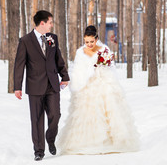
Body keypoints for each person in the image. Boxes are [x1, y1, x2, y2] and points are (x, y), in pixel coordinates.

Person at [57, 25, 139, 155]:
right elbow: (78, 70)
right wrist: (81, 81)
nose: (89, 44)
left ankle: (111, 141)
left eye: (92, 41)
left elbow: (111, 67)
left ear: (96, 39)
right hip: (87, 86)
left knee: (108, 110)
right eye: (86, 42)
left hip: (102, 83)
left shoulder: (104, 49)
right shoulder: (80, 52)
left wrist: (102, 64)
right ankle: (87, 141)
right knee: (87, 112)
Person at [14, 10, 69, 161]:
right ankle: (39, 150)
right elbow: (19, 65)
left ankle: (50, 138)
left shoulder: (53, 38)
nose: (52, 25)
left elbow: (58, 58)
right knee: (37, 119)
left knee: (55, 115)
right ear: (42, 23)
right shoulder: (25, 41)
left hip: (52, 85)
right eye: (50, 22)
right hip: (35, 86)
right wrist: (17, 86)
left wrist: (64, 76)